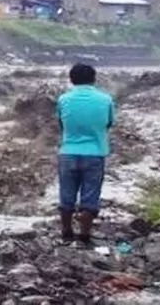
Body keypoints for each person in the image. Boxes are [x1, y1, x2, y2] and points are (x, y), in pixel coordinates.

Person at [56, 63, 115, 244]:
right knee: (90, 195)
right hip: (95, 153)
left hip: (68, 152)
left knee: (66, 194)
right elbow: (108, 123)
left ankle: (66, 232)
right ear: (94, 78)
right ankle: (85, 234)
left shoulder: (63, 99)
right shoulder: (105, 100)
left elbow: (61, 124)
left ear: (71, 79)